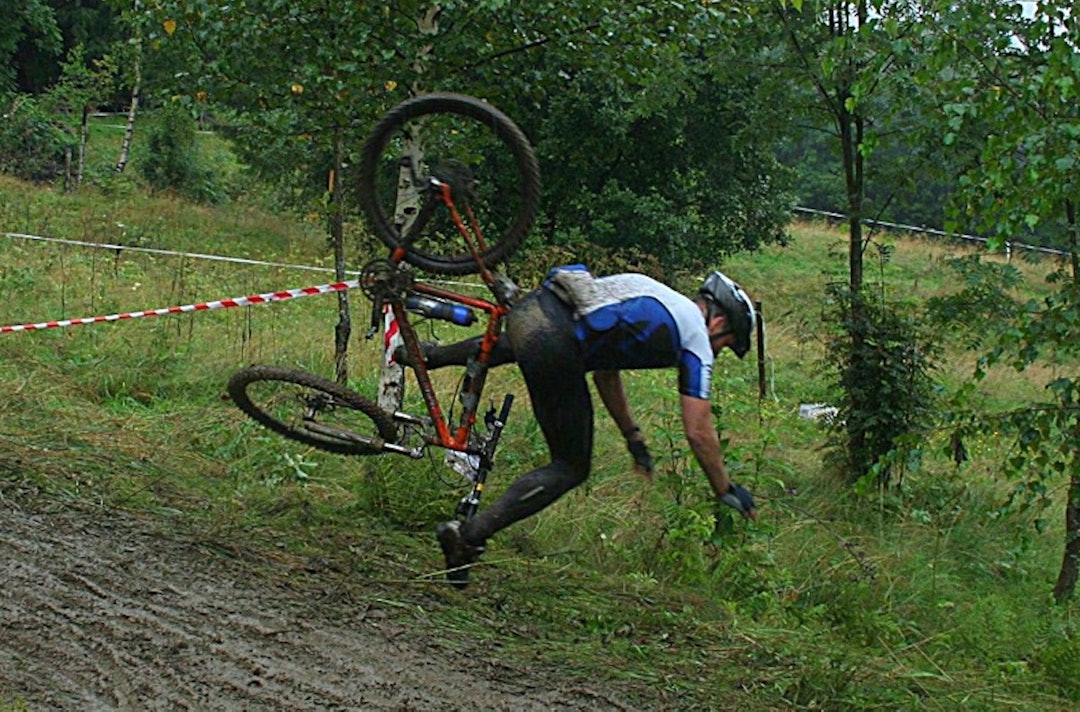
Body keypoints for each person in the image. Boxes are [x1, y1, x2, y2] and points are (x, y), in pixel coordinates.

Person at [398, 266, 759, 588]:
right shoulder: (696, 336)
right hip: (554, 338)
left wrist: (632, 437)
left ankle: (425, 355)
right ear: (720, 322)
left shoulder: (663, 298)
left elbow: (606, 373)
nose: (719, 352)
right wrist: (725, 488)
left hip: (534, 309)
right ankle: (467, 537)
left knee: (526, 343)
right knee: (571, 466)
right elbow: (698, 430)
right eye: (727, 344)